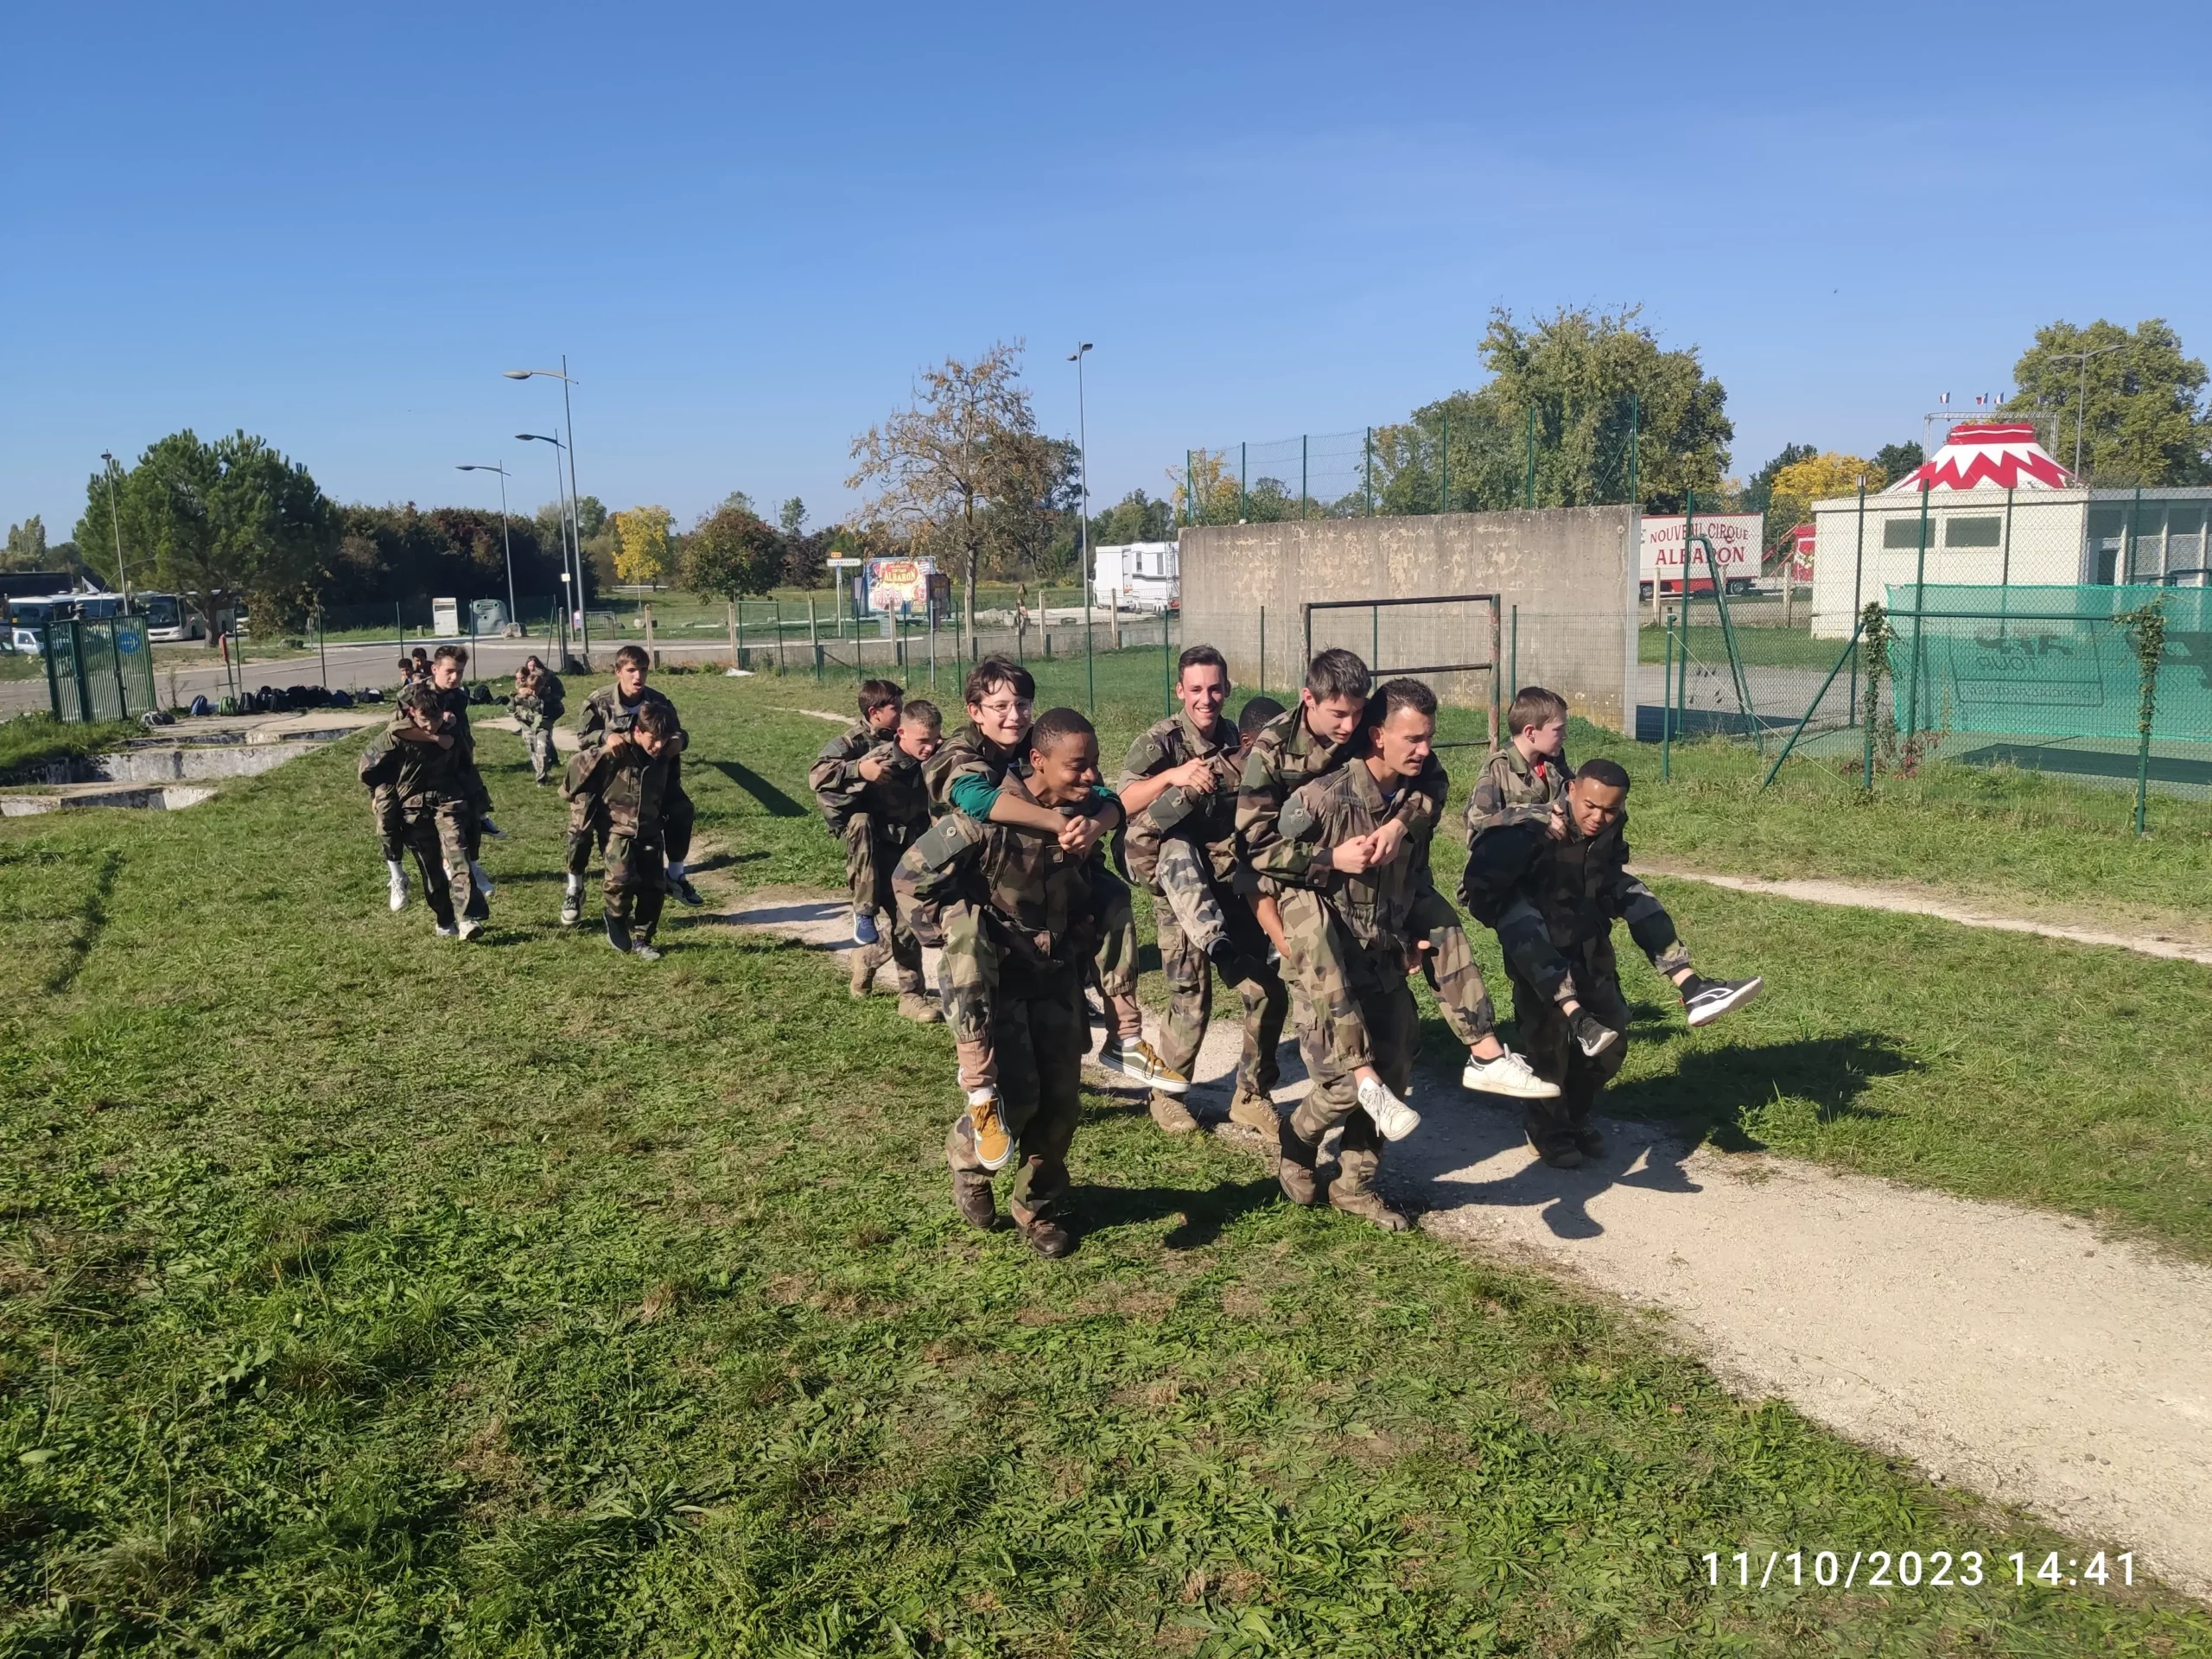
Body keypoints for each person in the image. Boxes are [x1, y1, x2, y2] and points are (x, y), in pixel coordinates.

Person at [1236, 650, 1555, 1117]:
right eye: (1338, 714)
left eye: (1359, 712)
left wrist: (1400, 825)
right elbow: (1257, 848)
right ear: (1309, 700)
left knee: (1441, 921)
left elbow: (1433, 780)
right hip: (1299, 871)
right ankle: (1355, 1077)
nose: (1349, 726)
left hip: (1377, 872)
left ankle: (1486, 1053)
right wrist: (1330, 859)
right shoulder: (1273, 751)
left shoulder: (1376, 729)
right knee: (1316, 951)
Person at [1459, 757, 1764, 1169]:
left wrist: (1611, 900)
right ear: (1571, 791)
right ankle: (1548, 1130)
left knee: (1611, 1043)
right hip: (1539, 953)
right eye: (1590, 806)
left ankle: (1692, 988)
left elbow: (1608, 869)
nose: (1599, 817)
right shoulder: (1527, 830)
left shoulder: (1611, 824)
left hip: (1589, 943)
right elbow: (1479, 892)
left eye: (1611, 810)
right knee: (1549, 1050)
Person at [912, 656, 1183, 1103]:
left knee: (1110, 892)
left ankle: (1125, 1038)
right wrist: (1058, 823)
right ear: (974, 710)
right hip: (975, 880)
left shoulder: (1030, 748)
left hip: (1036, 880)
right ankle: (978, 1085)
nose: (1014, 716)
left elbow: (1104, 795)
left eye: (1022, 705)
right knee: (972, 953)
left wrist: (1094, 826)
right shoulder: (957, 751)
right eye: (999, 706)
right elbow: (977, 800)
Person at [912, 707, 1116, 1258]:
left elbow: (1120, 803)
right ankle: (969, 1159)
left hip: (1057, 973)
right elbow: (910, 876)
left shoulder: (1084, 809)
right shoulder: (985, 816)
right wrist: (956, 936)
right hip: (1001, 977)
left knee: (1063, 1103)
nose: (1090, 776)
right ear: (1037, 762)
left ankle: (1038, 1208)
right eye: (1078, 767)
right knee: (1018, 1096)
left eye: (1094, 764)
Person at [1269, 679, 1451, 1232]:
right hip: (1324, 966)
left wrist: (1414, 933)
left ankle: (1355, 1185)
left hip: (1384, 957)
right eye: (1413, 739)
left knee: (1393, 1072)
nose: (1425, 750)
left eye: (1428, 739)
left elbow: (1416, 876)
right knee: (1346, 1085)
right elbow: (1266, 863)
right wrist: (1327, 862)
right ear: (1379, 736)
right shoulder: (1322, 797)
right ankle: (1297, 1138)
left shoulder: (1416, 801)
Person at [1119, 648, 1287, 1135]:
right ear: (1180, 691)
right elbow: (1120, 803)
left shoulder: (1243, 738)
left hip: (1226, 876)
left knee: (1266, 991)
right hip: (1173, 877)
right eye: (1196, 690)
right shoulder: (1160, 742)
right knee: (1191, 999)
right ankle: (1167, 1093)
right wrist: (1173, 777)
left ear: (1227, 690)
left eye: (1215, 689)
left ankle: (1252, 1094)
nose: (1206, 699)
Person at [568, 645, 701, 923]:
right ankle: (575, 886)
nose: (638, 676)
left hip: (649, 777)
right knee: (580, 830)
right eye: (631, 670)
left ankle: (676, 875)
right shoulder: (599, 701)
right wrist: (605, 737)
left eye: (643, 670)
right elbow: (583, 738)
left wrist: (679, 741)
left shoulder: (658, 701)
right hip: (603, 779)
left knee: (682, 810)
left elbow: (679, 732)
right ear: (618, 672)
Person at [838, 698, 944, 1023]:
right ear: (901, 734)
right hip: (875, 856)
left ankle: (906, 992)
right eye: (922, 741)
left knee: (910, 919)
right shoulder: (878, 762)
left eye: (934, 740)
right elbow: (829, 788)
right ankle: (892, 977)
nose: (929, 748)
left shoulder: (939, 760)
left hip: (915, 854)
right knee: (906, 923)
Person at [561, 698, 683, 960]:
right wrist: (604, 749)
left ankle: (643, 939)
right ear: (638, 732)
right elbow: (572, 774)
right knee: (620, 881)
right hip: (617, 828)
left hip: (650, 828)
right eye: (653, 739)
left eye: (664, 739)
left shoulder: (665, 754)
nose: (658, 745)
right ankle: (614, 918)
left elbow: (673, 786)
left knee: (653, 887)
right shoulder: (617, 751)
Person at [357, 683, 480, 940]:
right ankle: (444, 919)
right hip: (413, 809)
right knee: (432, 871)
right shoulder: (395, 737)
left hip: (448, 803)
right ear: (412, 712)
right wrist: (379, 795)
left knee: (458, 856)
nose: (431, 726)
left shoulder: (452, 732)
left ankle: (466, 918)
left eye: (436, 719)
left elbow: (466, 765)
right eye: (425, 719)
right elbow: (367, 769)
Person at [808, 678, 905, 944]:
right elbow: (817, 777)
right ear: (875, 713)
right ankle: (864, 911)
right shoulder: (851, 743)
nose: (902, 713)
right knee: (862, 822)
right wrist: (859, 771)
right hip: (864, 823)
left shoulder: (905, 735)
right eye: (896, 708)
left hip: (902, 821)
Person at [425, 645, 498, 925]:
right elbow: (402, 733)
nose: (455, 677)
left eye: (460, 672)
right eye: (449, 671)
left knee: (472, 831)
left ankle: (473, 866)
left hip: (461, 774)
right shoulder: (418, 696)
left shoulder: (458, 697)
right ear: (435, 669)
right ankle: (464, 916)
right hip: (431, 782)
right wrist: (435, 728)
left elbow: (463, 734)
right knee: (452, 845)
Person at [1467, 684, 1573, 841]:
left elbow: (1574, 794)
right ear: (1530, 733)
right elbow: (1480, 825)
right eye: (1558, 730)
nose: (1565, 735)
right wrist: (1535, 815)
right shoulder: (1498, 769)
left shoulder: (1553, 762)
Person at [509, 655, 567, 785]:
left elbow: (560, 709)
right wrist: (523, 717)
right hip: (528, 728)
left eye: (534, 666)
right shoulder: (523, 695)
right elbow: (511, 708)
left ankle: (542, 777)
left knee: (543, 750)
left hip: (543, 726)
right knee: (533, 751)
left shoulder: (547, 686)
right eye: (530, 666)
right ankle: (540, 773)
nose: (534, 692)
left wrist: (548, 720)